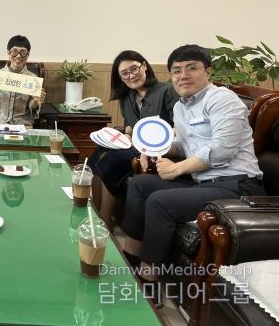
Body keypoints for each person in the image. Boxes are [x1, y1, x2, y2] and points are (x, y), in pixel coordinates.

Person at [120, 44, 266, 306]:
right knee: (140, 184)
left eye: (191, 68)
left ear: (207, 71)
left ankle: (149, 281)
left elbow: (221, 150)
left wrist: (177, 168)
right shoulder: (181, 107)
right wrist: (151, 149)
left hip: (238, 186)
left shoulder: (222, 99)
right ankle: (130, 256)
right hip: (205, 183)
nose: (183, 75)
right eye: (176, 71)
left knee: (160, 202)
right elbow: (184, 146)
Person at [89, 50, 178, 230]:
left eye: (134, 69)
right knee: (99, 153)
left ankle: (105, 219)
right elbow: (130, 126)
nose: (131, 76)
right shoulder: (126, 97)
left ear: (144, 66)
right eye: (124, 73)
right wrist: (124, 135)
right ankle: (94, 211)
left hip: (160, 148)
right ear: (120, 78)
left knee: (114, 159)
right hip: (134, 144)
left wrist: (150, 143)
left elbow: (179, 128)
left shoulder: (167, 91)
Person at [0, 35, 46, 125]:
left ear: (28, 55)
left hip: (23, 124)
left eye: (23, 52)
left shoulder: (33, 79)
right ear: (8, 53)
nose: (18, 56)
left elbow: (32, 109)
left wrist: (35, 100)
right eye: (14, 51)